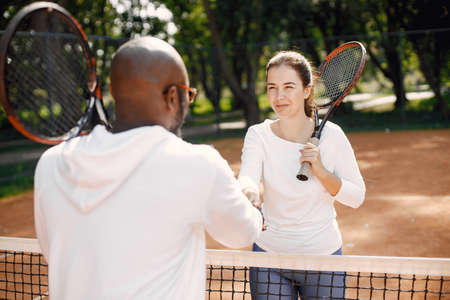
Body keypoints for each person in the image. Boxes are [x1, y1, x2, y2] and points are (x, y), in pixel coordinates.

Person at [34, 36, 263, 300]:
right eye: (188, 95)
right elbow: (241, 233)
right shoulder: (198, 164)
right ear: (173, 96)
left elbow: (55, 251)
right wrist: (253, 208)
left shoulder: (51, 164)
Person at [238, 51, 366, 299]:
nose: (279, 96)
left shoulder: (333, 136)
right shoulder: (258, 134)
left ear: (307, 90)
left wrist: (321, 171)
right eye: (272, 87)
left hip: (323, 259)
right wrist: (249, 196)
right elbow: (247, 178)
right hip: (269, 257)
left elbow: (356, 197)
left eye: (289, 87)